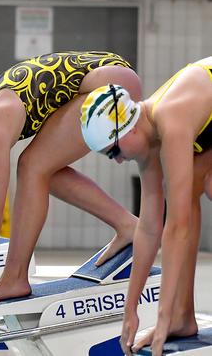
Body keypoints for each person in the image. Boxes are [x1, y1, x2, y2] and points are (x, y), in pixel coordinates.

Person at [0, 51, 142, 318]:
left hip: (111, 84)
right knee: (42, 170)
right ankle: (128, 226)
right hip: (108, 79)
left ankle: (14, 277)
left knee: (32, 167)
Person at [81, 57, 212, 355]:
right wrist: (131, 308)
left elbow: (177, 226)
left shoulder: (171, 119)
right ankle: (182, 316)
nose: (116, 160)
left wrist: (160, 319)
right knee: (190, 186)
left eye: (113, 150)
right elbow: (150, 227)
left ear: (130, 129)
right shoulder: (148, 138)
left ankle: (173, 316)